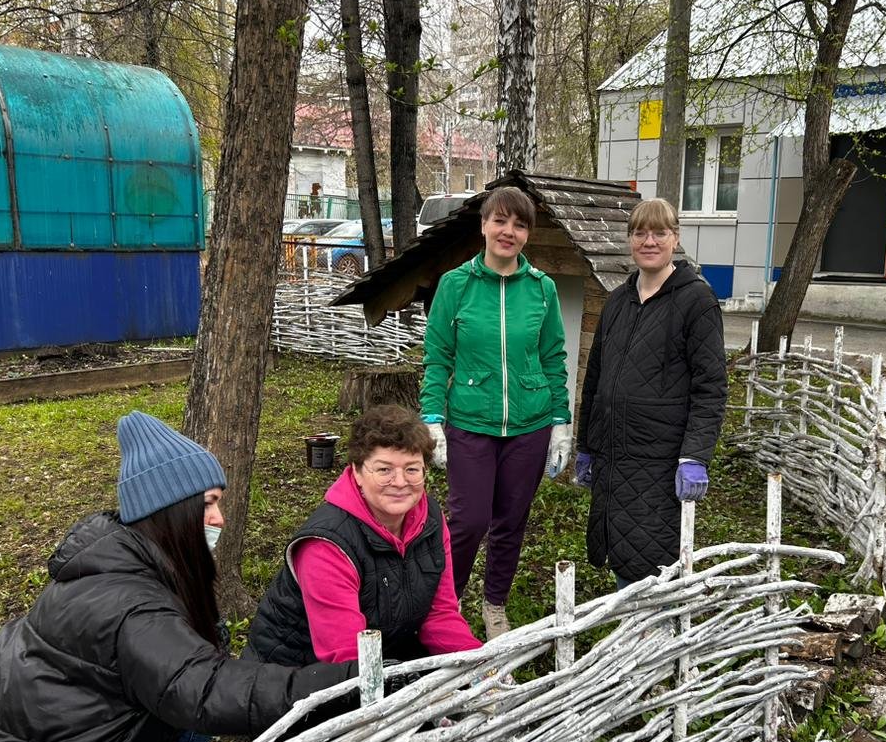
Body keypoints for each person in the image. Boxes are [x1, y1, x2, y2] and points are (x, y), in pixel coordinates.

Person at [0, 412, 355, 742]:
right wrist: (337, 683)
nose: (219, 517)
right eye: (208, 504)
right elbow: (204, 688)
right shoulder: (129, 602)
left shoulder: (122, 566)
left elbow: (186, 674)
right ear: (170, 511)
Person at [418, 186, 572, 639]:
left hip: (531, 424)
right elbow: (438, 357)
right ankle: (449, 602)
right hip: (470, 421)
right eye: (500, 221)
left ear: (528, 234)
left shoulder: (542, 289)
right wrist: (432, 418)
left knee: (511, 520)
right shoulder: (455, 285)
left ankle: (495, 604)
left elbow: (553, 358)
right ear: (483, 225)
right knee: (468, 520)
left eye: (520, 224)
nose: (509, 231)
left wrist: (560, 423)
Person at [249, 404, 482, 666]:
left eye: (412, 469)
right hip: (298, 678)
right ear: (357, 472)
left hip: (385, 658)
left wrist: (480, 666)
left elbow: (439, 615)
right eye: (384, 470)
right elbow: (345, 658)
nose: (400, 481)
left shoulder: (430, 520)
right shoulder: (327, 545)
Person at [575, 197, 728, 588]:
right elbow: (595, 379)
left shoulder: (696, 301)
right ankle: (633, 633)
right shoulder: (617, 302)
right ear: (630, 240)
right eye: (640, 232)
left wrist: (694, 455)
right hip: (614, 453)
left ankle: (653, 637)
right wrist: (587, 445)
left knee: (652, 555)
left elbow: (710, 387)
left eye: (659, 232)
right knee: (618, 544)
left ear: (675, 238)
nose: (649, 241)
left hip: (660, 459)